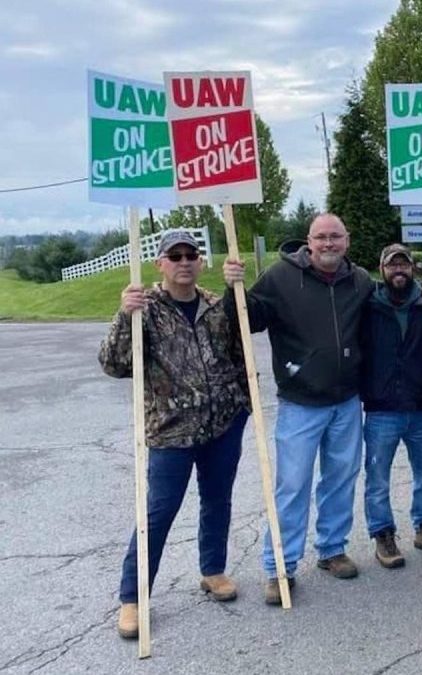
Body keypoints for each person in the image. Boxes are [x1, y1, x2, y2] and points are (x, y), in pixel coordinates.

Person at [99, 230, 250, 639]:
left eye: (191, 254)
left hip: (222, 424)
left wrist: (237, 289)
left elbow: (241, 350)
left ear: (200, 261)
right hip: (170, 430)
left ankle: (213, 570)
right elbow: (114, 364)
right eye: (175, 255)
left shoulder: (217, 305)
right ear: (160, 263)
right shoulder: (145, 309)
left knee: (218, 500)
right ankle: (133, 597)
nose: (184, 261)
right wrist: (122, 314)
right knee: (159, 511)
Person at [223, 213, 374, 605]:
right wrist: (233, 289)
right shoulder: (280, 277)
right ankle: (280, 566)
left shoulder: (358, 280)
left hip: (346, 400)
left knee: (341, 478)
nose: (328, 244)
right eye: (321, 237)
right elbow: (245, 319)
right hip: (300, 402)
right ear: (309, 241)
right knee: (292, 486)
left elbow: (388, 311)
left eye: (335, 237)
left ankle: (332, 549)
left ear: (347, 240)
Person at [360, 244, 422, 568]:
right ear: (382, 269)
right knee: (378, 477)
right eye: (392, 265)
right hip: (381, 408)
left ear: (413, 268)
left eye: (404, 265)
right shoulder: (368, 303)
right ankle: (383, 534)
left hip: (421, 406)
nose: (399, 270)